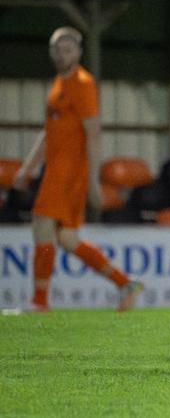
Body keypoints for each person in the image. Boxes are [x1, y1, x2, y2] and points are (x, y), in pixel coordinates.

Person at [12, 26, 144, 312]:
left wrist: (94, 180)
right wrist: (28, 167)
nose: (62, 54)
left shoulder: (82, 83)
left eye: (68, 49)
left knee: (42, 225)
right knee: (67, 240)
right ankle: (126, 284)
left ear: (79, 52)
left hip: (69, 172)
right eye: (57, 49)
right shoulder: (59, 83)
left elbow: (93, 131)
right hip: (55, 171)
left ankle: (39, 302)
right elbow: (49, 133)